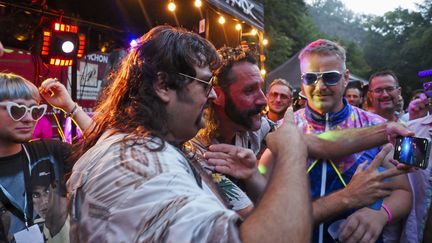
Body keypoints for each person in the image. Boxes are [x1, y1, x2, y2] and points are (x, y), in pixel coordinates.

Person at [66, 25, 312, 242]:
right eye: (205, 84)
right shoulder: (138, 166)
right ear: (163, 85)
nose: (213, 96)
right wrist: (292, 150)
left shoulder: (152, 148)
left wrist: (252, 175)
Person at [294, 39, 412, 243]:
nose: (320, 86)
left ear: (346, 77)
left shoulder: (376, 125)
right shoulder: (287, 127)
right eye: (311, 78)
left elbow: (403, 192)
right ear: (302, 81)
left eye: (330, 77)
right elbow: (264, 192)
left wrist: (382, 214)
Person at [0, 73, 90, 242]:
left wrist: (70, 107)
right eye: (17, 109)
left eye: (35, 111)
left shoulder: (49, 152)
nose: (28, 118)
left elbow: (108, 146)